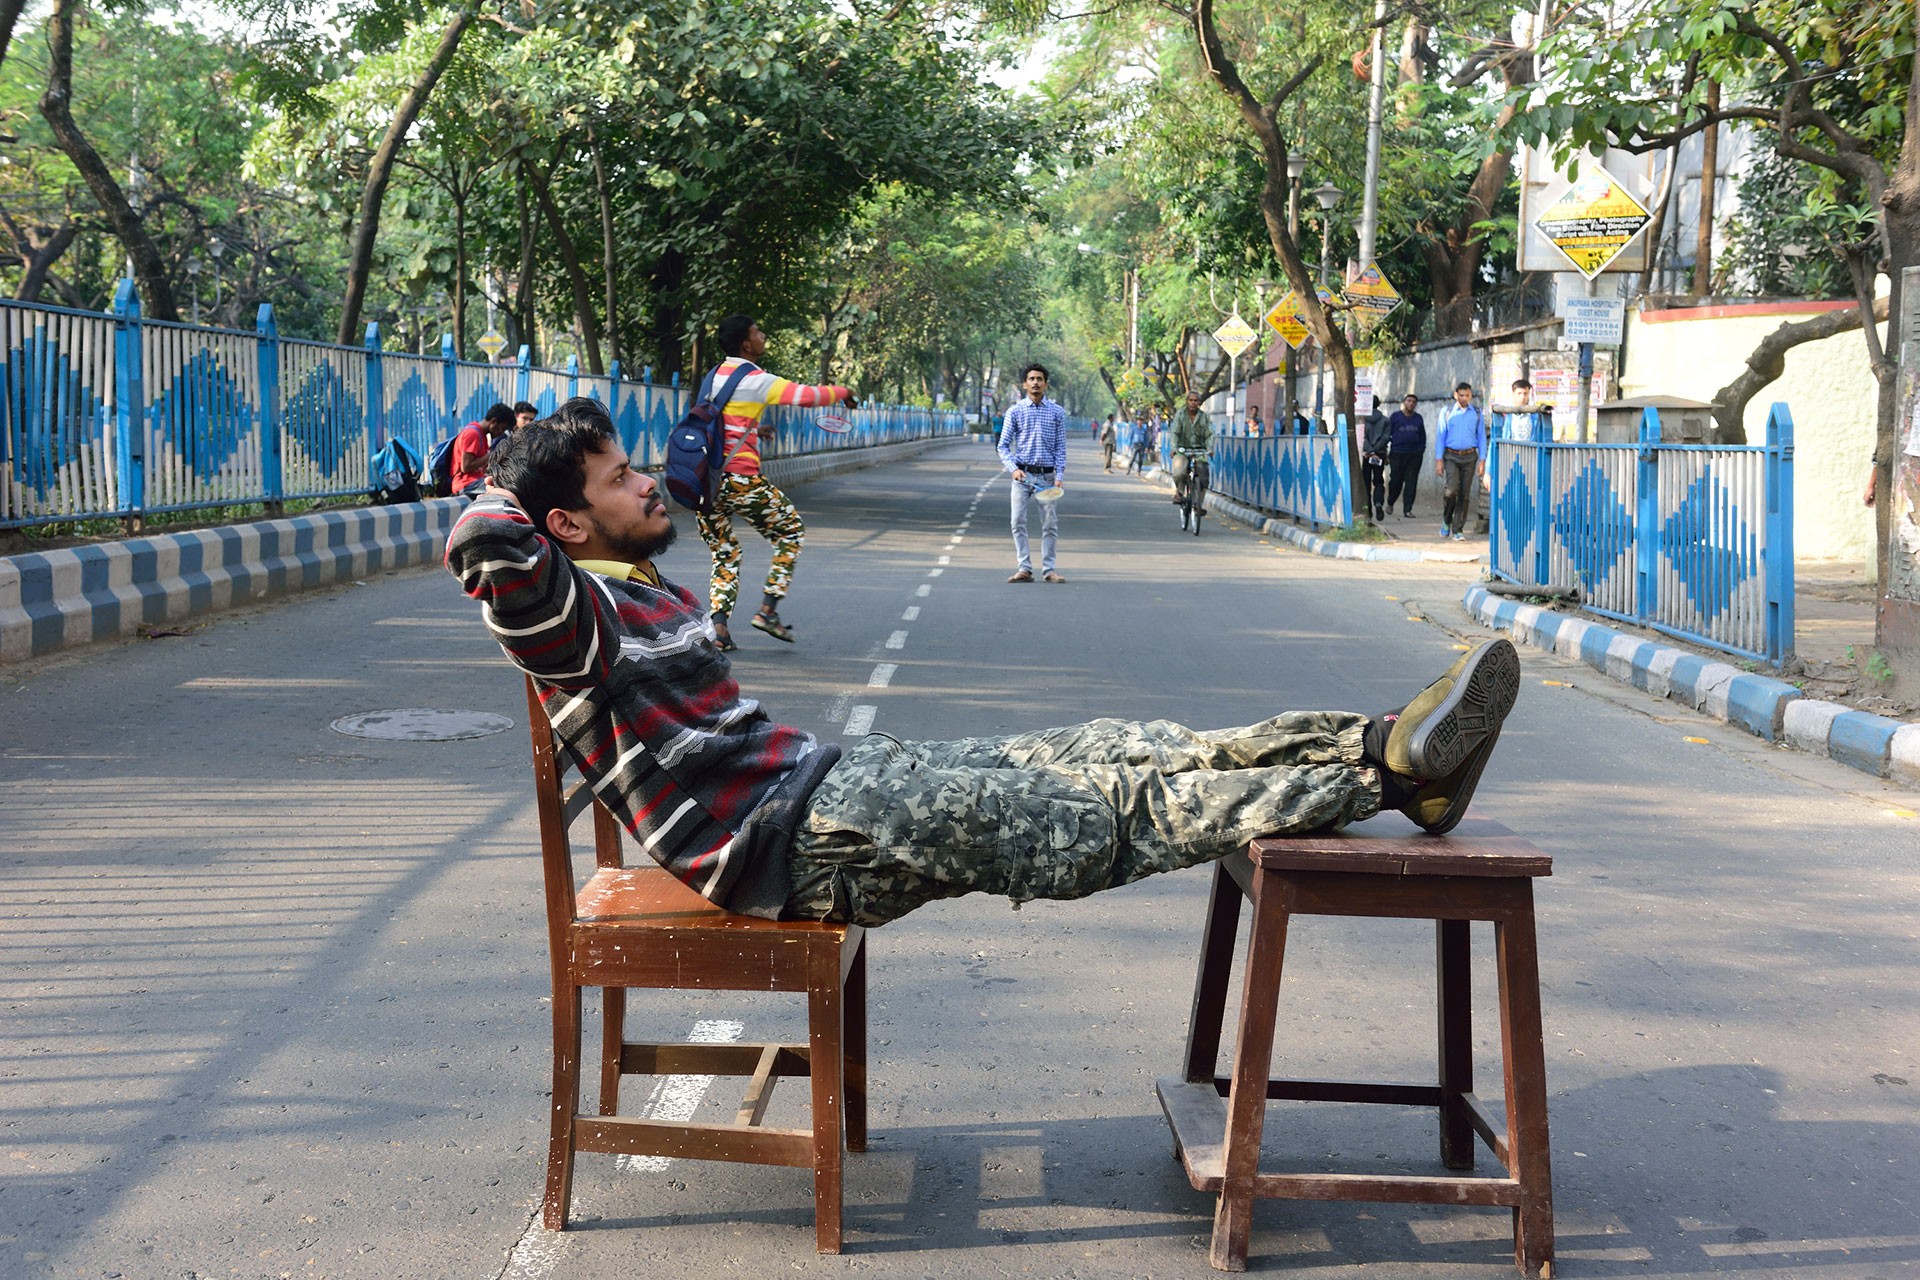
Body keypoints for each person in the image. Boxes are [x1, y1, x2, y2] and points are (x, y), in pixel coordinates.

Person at [447, 399, 1523, 927]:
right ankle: (1389, 779)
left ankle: (1375, 739)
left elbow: (537, 532)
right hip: (785, 848)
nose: (650, 484)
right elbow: (487, 543)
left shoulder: (650, 588)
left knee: (1109, 744)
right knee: (1092, 813)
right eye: (622, 479)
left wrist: (555, 482)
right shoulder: (572, 628)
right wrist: (504, 470)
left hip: (824, 785)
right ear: (566, 526)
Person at [695, 314, 854, 649]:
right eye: (757, 331)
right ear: (746, 343)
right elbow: (807, 396)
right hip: (740, 481)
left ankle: (719, 628)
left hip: (704, 482)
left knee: (724, 552)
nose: (762, 335)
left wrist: (755, 429)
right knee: (791, 532)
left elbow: (720, 421)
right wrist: (844, 390)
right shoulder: (754, 379)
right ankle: (768, 610)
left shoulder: (713, 376)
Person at [1000, 363, 1069, 584]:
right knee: (1017, 521)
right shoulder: (1015, 411)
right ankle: (1024, 568)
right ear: (1025, 383)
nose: (1035, 382)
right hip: (1022, 477)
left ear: (1046, 384)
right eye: (1031, 379)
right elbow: (1003, 446)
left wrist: (1059, 477)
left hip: (1047, 478)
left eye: (1039, 379)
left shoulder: (1057, 412)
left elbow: (1061, 447)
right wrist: (1014, 469)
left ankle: (1049, 570)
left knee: (1050, 524)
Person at [1434, 382, 1487, 541]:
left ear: (1471, 396)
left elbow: (1481, 437)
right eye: (1461, 395)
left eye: (1467, 395)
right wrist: (1439, 459)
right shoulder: (1447, 412)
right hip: (1451, 456)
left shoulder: (1477, 413)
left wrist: (1482, 460)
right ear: (1456, 395)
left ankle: (1458, 529)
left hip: (1470, 457)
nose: (1464, 398)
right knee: (1451, 491)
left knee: (1464, 494)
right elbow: (1441, 436)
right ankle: (1446, 520)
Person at [450, 402, 515, 496]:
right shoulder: (473, 434)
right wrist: (490, 455)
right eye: (502, 428)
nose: (501, 433)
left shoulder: (481, 435)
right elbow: (466, 467)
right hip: (466, 484)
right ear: (493, 422)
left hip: (475, 482)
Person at [1168, 390, 1213, 523]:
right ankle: (1179, 493)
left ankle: (1199, 504)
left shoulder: (1204, 417)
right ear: (1187, 401)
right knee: (1179, 471)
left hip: (1199, 451)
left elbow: (1209, 434)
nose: (1193, 403)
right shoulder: (1180, 415)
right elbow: (1175, 433)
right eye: (1191, 400)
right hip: (1182, 450)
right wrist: (1174, 448)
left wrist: (1209, 448)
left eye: (1196, 400)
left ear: (1199, 403)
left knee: (1204, 475)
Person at [1385, 393, 1427, 519]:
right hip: (1397, 454)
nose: (1411, 403)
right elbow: (1388, 434)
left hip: (1414, 455)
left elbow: (1422, 436)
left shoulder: (1418, 418)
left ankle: (1408, 509)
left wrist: (1420, 450)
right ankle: (1391, 501)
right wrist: (1385, 451)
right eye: (1409, 401)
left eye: (1414, 402)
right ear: (1404, 402)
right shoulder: (1395, 417)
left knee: (1411, 482)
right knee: (1396, 480)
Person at [1361, 401, 1392, 523]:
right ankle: (1378, 503)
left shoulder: (1362, 420)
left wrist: (1370, 450)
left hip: (1366, 455)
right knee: (1379, 480)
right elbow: (1386, 437)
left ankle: (1368, 510)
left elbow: (1362, 437)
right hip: (1380, 454)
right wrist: (1376, 450)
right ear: (1378, 404)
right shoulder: (1386, 420)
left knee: (1366, 482)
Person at [1497, 378, 1552, 443]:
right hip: (1510, 451)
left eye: (1525, 393)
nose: (1522, 397)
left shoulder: (1535, 416)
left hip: (1530, 451)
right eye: (1519, 393)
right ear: (1513, 394)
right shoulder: (1506, 415)